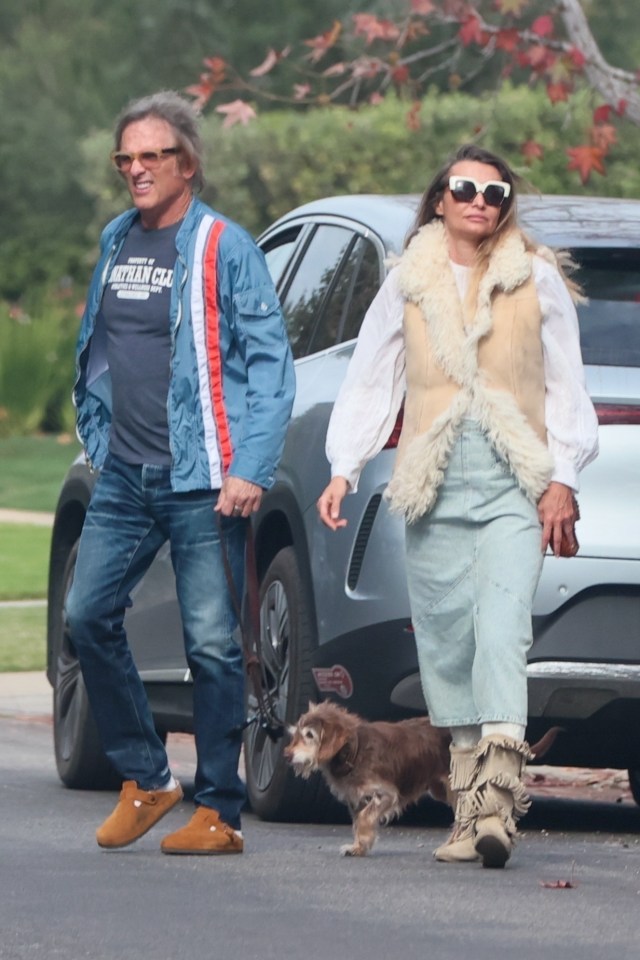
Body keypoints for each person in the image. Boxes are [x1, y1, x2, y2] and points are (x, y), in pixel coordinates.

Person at [317, 144, 598, 869]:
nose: (479, 201)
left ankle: (499, 807)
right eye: (464, 189)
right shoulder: (408, 281)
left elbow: (566, 384)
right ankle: (466, 814)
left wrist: (561, 478)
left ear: (506, 205)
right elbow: (373, 376)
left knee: (502, 633)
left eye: (494, 193)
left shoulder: (533, 278)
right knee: (448, 649)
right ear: (440, 198)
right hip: (432, 484)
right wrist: (342, 468)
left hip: (513, 480)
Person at [65, 91, 295, 855]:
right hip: (126, 474)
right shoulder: (116, 240)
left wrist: (251, 466)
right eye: (125, 158)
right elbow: (103, 346)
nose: (135, 169)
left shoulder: (224, 247)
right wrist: (97, 435)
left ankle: (221, 812)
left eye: (151, 156)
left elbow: (270, 366)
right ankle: (149, 776)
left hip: (205, 480)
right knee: (85, 617)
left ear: (187, 163)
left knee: (213, 647)